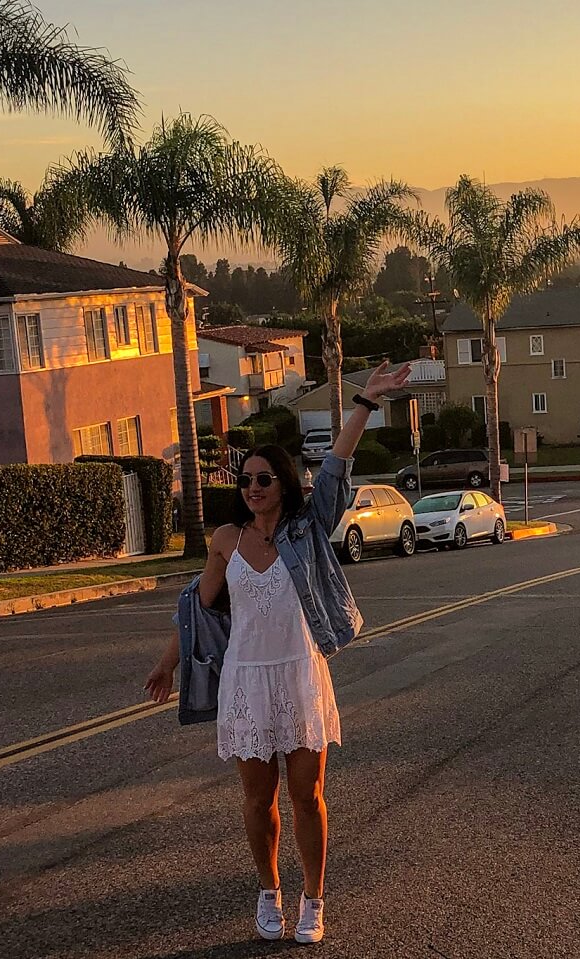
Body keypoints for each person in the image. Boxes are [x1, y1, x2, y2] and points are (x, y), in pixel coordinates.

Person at [146, 361, 412, 944]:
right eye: (246, 480)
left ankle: (313, 899)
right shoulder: (225, 541)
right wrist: (167, 662)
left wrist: (365, 400)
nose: (254, 487)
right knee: (256, 797)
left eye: (264, 478)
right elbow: (198, 609)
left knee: (307, 795)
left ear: (283, 483)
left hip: (298, 677)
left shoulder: (306, 526)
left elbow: (338, 469)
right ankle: (268, 894)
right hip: (245, 681)